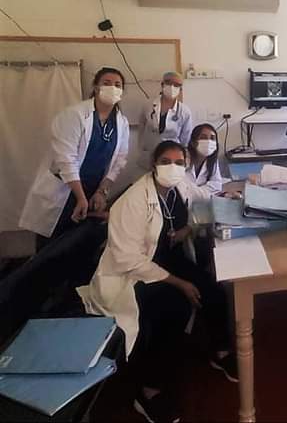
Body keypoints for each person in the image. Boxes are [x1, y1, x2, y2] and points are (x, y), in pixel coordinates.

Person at [76, 141, 236, 423]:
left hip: (165, 259)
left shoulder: (180, 186)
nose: (172, 168)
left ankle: (220, 351)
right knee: (174, 308)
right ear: (153, 164)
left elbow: (204, 199)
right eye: (165, 161)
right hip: (133, 273)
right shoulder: (135, 199)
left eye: (179, 162)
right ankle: (149, 390)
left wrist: (200, 218)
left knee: (212, 289)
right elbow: (127, 259)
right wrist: (178, 283)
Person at [19, 67, 129, 243]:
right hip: (64, 190)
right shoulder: (75, 115)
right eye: (107, 83)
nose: (113, 88)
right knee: (53, 244)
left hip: (92, 191)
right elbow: (66, 159)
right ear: (96, 87)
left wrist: (101, 191)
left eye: (117, 85)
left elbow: (119, 160)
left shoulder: (121, 123)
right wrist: (80, 197)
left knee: (78, 243)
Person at [139, 71, 193, 168]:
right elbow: (141, 130)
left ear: (180, 89)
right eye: (169, 82)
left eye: (176, 85)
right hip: (149, 154)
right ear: (162, 84)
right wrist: (142, 149)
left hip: (172, 157)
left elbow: (185, 140)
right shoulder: (148, 106)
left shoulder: (185, 112)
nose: (172, 87)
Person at [186, 123, 222, 196]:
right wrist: (204, 192)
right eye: (203, 137)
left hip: (200, 200)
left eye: (212, 138)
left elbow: (216, 185)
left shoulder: (212, 160)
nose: (208, 141)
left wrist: (195, 192)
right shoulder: (183, 158)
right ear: (193, 142)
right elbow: (181, 187)